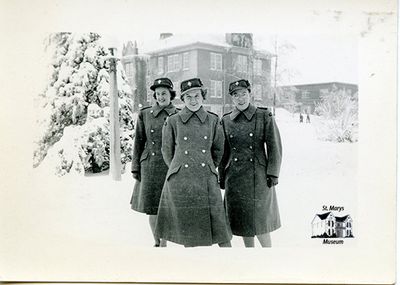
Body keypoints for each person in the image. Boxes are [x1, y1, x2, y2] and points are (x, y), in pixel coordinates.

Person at [155, 78, 232, 247]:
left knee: (218, 227)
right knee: (186, 226)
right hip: (180, 179)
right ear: (182, 99)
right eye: (188, 97)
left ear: (203, 96)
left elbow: (219, 149)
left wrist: (209, 165)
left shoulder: (213, 120)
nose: (193, 100)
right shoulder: (173, 120)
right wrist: (179, 167)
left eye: (196, 95)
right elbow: (167, 151)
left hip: (206, 177)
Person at [219, 79, 283, 247]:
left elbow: (274, 146)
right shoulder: (226, 120)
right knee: (243, 223)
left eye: (244, 94)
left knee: (260, 222)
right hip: (235, 178)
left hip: (259, 179)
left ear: (250, 94)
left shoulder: (263, 116)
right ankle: (250, 257)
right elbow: (223, 152)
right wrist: (222, 175)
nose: (241, 98)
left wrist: (273, 173)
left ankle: (268, 257)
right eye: (236, 95)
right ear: (232, 98)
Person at [130, 78, 179, 247]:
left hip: (169, 166)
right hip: (149, 166)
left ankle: (165, 240)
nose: (161, 97)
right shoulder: (145, 114)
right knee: (152, 208)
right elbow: (139, 141)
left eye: (164, 93)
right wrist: (136, 167)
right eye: (157, 94)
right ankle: (158, 242)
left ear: (171, 95)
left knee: (167, 207)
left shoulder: (178, 114)